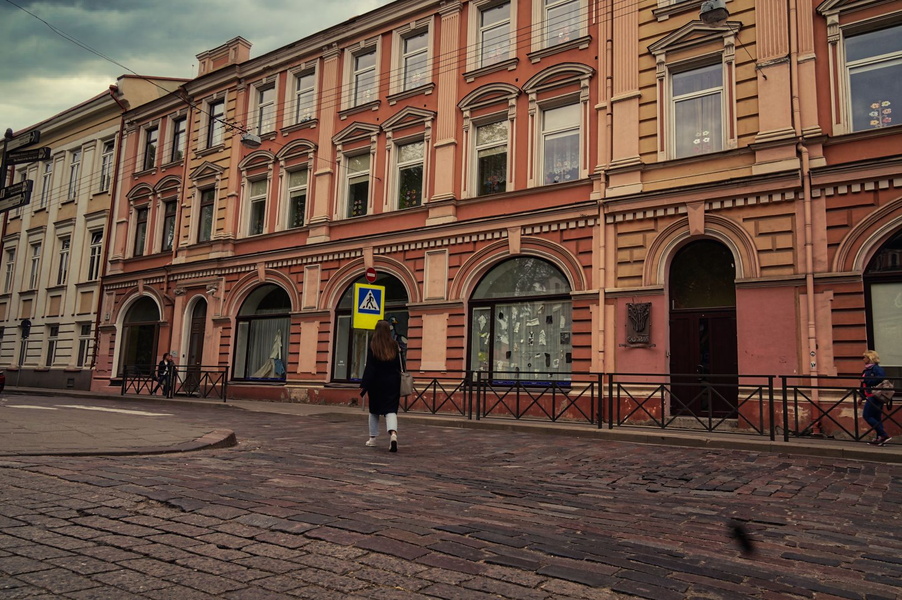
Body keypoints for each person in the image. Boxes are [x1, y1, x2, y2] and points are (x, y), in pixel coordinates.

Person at [360, 320, 402, 452]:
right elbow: (398, 366)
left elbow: (370, 367)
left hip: (376, 383)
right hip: (392, 382)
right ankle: (393, 435)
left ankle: (372, 439)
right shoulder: (394, 345)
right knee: (391, 410)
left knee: (374, 411)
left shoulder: (373, 345)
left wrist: (365, 384)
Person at [860, 350, 891, 446]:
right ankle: (880, 438)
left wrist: (866, 380)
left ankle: (883, 435)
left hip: (875, 396)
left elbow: (881, 378)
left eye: (864, 357)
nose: (863, 359)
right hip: (870, 395)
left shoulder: (876, 368)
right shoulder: (867, 370)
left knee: (867, 415)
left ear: (870, 358)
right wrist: (861, 396)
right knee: (876, 418)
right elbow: (863, 385)